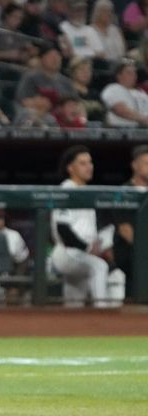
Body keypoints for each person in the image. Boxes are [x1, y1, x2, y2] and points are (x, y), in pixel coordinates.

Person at [50, 145, 124, 308]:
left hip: (81, 255)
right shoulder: (67, 189)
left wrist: (98, 242)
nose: (89, 166)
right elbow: (63, 229)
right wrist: (88, 247)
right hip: (67, 252)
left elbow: (84, 229)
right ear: (70, 168)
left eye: (90, 162)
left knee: (73, 306)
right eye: (82, 163)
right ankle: (101, 310)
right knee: (99, 267)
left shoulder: (84, 190)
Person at [110, 144, 148, 295]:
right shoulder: (123, 193)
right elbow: (126, 232)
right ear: (134, 166)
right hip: (128, 250)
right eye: (146, 163)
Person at [100, 60, 148, 127]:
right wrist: (144, 119)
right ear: (119, 75)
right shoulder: (112, 89)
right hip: (119, 132)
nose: (133, 75)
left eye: (134, 73)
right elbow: (120, 110)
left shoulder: (142, 93)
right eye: (129, 73)